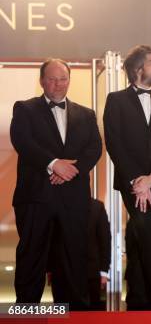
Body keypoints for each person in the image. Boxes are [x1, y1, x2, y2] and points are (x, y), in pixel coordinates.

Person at [10, 59, 102, 309]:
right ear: (41, 81)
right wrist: (53, 163)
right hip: (36, 198)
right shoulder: (25, 109)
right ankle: (26, 314)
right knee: (32, 257)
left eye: (63, 79)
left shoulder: (86, 114)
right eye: (52, 79)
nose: (58, 84)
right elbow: (22, 141)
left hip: (73, 198)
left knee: (74, 258)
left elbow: (94, 148)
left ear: (69, 81)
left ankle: (74, 314)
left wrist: (72, 169)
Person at [103, 45, 151, 310]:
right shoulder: (116, 100)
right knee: (146, 231)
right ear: (137, 69)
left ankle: (139, 300)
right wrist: (137, 180)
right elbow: (114, 143)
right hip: (131, 184)